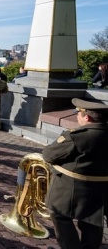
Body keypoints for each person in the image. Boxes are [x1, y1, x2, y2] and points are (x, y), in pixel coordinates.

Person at [42, 98, 108, 249]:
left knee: (59, 215)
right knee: (92, 220)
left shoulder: (76, 136)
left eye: (78, 113)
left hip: (72, 189)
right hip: (102, 191)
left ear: (87, 117)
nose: (77, 116)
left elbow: (48, 155)